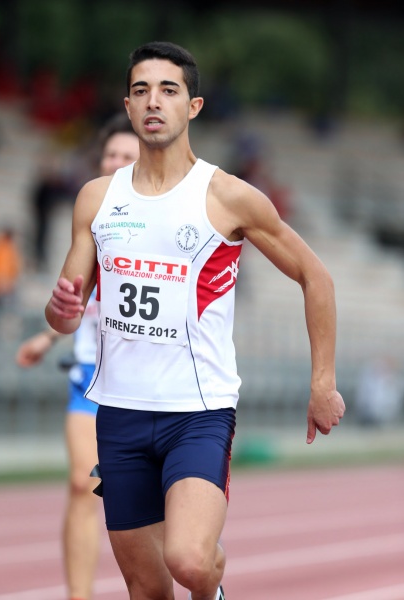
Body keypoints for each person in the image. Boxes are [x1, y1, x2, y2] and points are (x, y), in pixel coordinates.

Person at [45, 42, 345, 600]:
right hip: (120, 411)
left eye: (168, 90)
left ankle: (212, 585)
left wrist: (322, 382)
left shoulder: (227, 196)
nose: (153, 101)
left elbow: (316, 277)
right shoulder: (96, 199)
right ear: (128, 107)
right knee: (147, 588)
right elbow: (64, 313)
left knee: (188, 559)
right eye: (141, 91)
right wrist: (60, 311)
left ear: (194, 106)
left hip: (198, 413)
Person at [16, 113, 140, 600]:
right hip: (90, 372)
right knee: (81, 483)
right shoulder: (92, 217)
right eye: (110, 154)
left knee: (153, 504)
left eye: (127, 156)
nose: (116, 163)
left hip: (149, 381)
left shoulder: (166, 220)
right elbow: (78, 296)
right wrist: (47, 338)